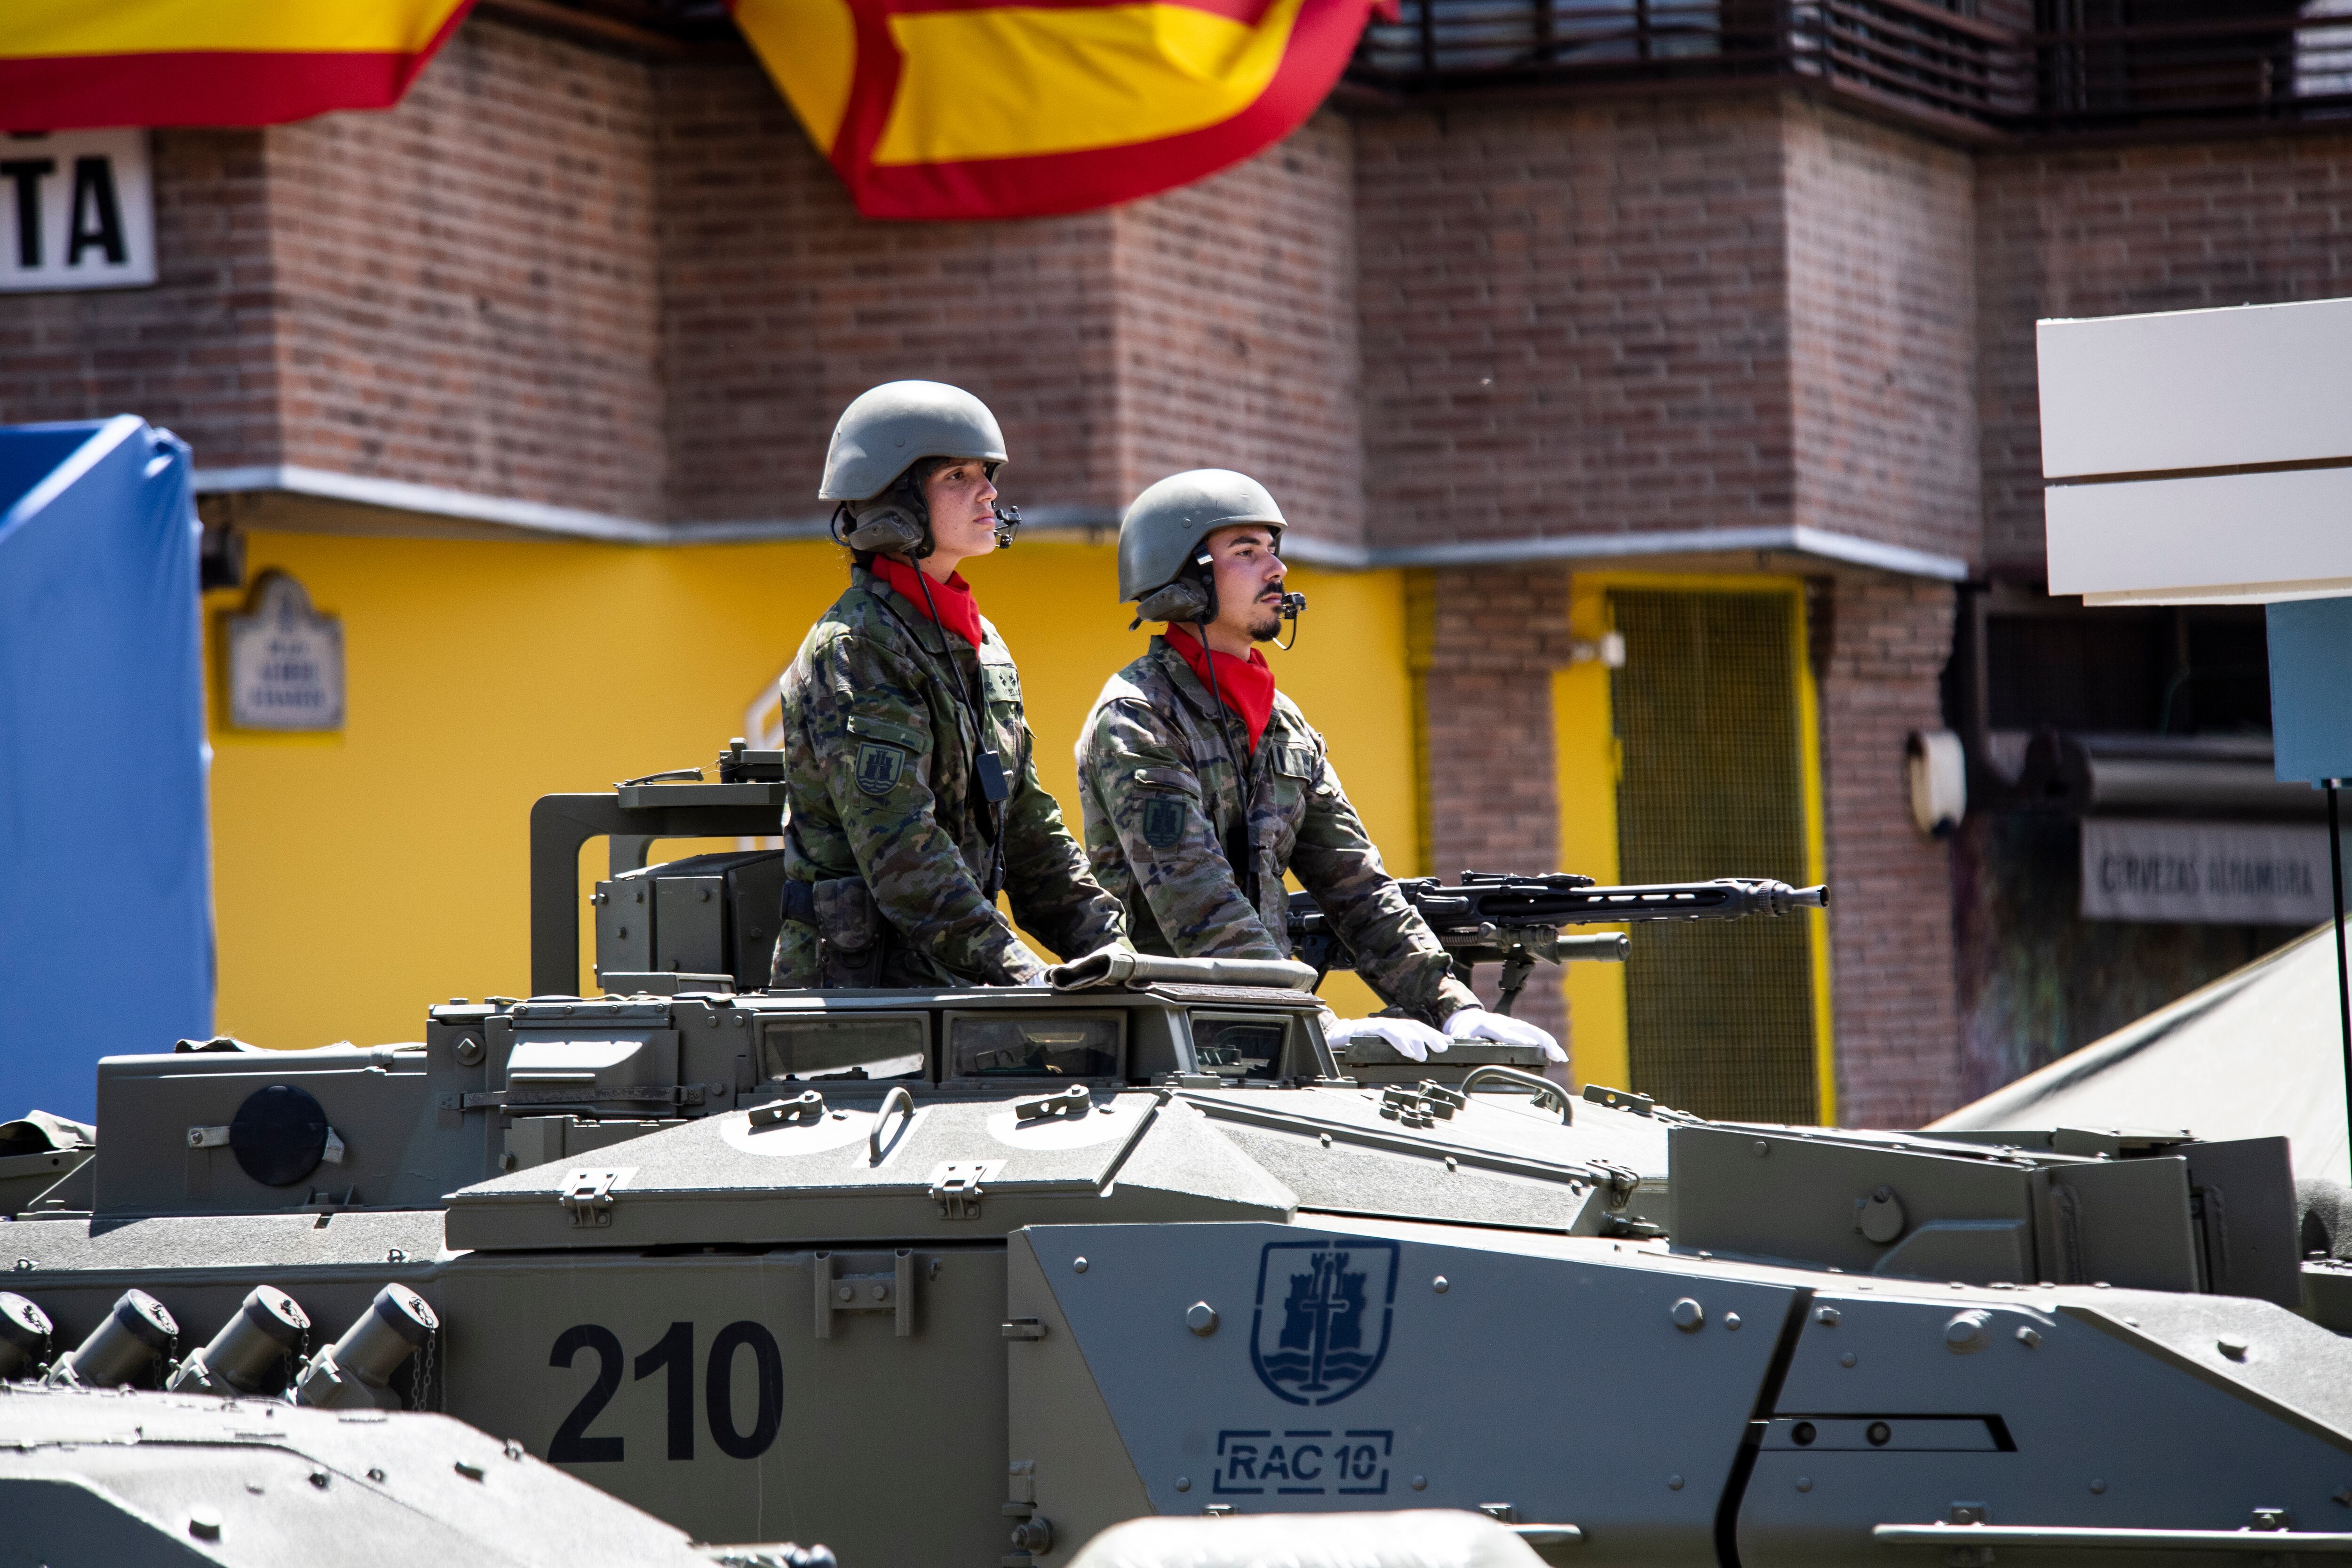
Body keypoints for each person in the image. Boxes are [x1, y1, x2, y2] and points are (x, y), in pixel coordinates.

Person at [1074, 469, 1559, 1062]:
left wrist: (1453, 1006)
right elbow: (1193, 899)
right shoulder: (1137, 717)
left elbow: (1355, 885)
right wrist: (1312, 1020)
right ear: (1184, 580)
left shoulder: (1281, 723)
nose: (1276, 570)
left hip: (1269, 1033)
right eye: (1246, 552)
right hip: (1158, 1041)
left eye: (1273, 551)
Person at [771, 380, 1125, 989]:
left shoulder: (981, 644)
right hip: (863, 1010)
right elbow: (904, 855)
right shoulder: (856, 648)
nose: (989, 491)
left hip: (958, 989)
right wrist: (1025, 972)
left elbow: (1027, 825)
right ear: (896, 504)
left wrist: (1115, 950)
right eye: (958, 477)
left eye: (986, 473)